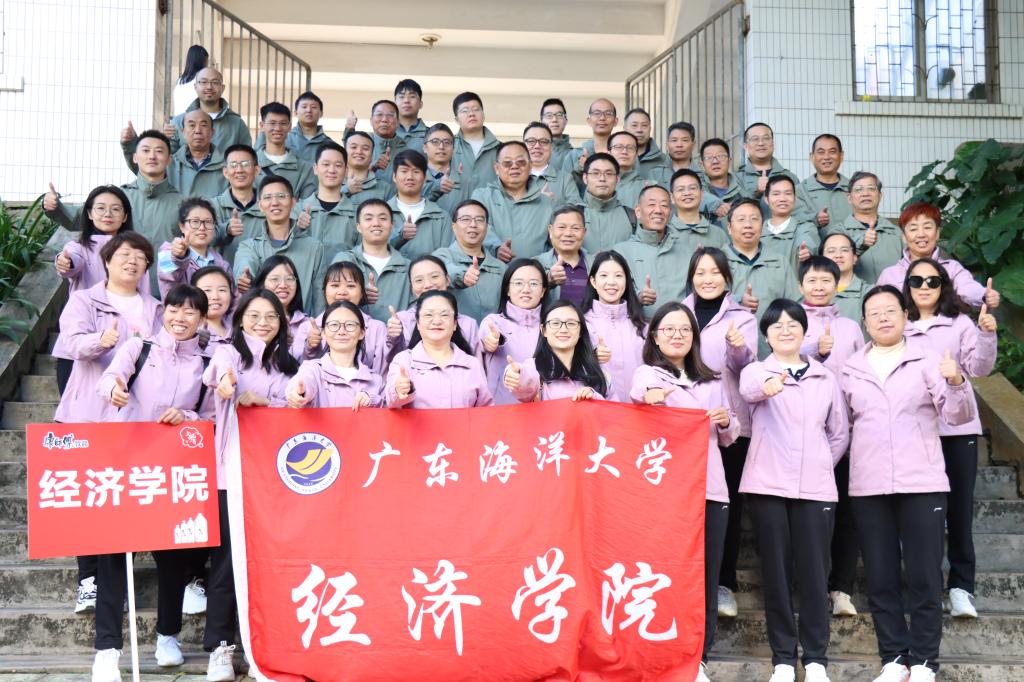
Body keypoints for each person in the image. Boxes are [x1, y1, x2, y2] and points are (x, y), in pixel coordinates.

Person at [841, 285, 974, 682]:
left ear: (904, 316)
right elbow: (842, 428)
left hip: (922, 481)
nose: (883, 317)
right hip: (869, 485)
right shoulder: (850, 368)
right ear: (865, 322)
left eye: (890, 310)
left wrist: (956, 382)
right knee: (881, 577)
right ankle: (894, 659)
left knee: (924, 576)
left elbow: (958, 415)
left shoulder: (928, 358)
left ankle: (925, 661)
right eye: (874, 312)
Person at [93, 284, 213, 675]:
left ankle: (167, 636)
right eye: (174, 309)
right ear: (164, 313)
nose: (180, 317)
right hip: (126, 466)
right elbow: (109, 379)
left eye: (190, 311)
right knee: (113, 557)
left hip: (172, 470)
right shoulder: (138, 348)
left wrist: (187, 417)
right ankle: (107, 650)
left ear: (202, 318)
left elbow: (211, 416)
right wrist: (114, 390)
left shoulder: (206, 362)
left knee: (172, 558)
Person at [52, 232, 162, 618]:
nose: (132, 261)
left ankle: (118, 583)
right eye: (124, 254)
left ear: (147, 267)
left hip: (135, 417)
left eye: (140, 257)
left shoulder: (156, 308)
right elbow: (72, 344)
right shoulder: (84, 300)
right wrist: (102, 340)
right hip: (88, 413)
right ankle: (89, 580)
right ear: (107, 261)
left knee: (125, 500)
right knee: (90, 500)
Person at [739, 299, 849, 682]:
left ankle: (816, 659)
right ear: (766, 335)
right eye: (776, 326)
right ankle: (783, 659)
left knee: (816, 574)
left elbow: (839, 433)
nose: (785, 330)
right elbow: (749, 389)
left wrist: (818, 463)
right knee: (776, 573)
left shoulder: (824, 377)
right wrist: (768, 386)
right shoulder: (756, 371)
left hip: (816, 488)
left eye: (793, 324)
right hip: (768, 485)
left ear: (805, 332)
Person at [203, 288, 299, 681]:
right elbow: (219, 377)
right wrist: (230, 388)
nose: (263, 323)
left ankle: (267, 645)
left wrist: (269, 403)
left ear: (282, 323)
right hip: (234, 476)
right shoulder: (228, 353)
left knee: (274, 562)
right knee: (228, 562)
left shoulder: (289, 364)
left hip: (278, 482)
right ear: (240, 318)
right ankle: (220, 647)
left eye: (271, 316)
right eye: (255, 315)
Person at [903, 258, 998, 620]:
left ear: (943, 285)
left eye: (932, 280)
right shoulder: (899, 325)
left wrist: (986, 334)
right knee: (918, 515)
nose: (925, 287)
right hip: (915, 431)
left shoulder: (959, 323)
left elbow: (980, 368)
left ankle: (961, 588)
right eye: (917, 281)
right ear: (907, 287)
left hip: (957, 430)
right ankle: (924, 587)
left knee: (958, 510)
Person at [681, 247, 758, 621]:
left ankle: (723, 583)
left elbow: (746, 366)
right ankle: (687, 581)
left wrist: (736, 346)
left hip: (728, 423)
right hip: (681, 425)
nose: (707, 278)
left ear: (727, 278)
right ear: (691, 277)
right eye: (700, 272)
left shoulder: (743, 318)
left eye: (714, 272)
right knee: (686, 506)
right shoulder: (677, 314)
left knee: (726, 506)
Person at [798, 256, 866, 617]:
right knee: (809, 515)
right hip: (803, 435)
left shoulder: (851, 328)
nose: (819, 286)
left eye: (827, 280)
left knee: (846, 513)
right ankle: (811, 585)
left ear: (837, 285)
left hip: (846, 433)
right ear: (800, 285)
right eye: (812, 280)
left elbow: (860, 375)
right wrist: (814, 351)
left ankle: (841, 588)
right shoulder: (790, 321)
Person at [46, 130, 184, 294]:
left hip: (166, 290)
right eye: (146, 150)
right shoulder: (117, 197)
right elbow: (78, 218)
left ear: (169, 159)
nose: (152, 156)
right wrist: (55, 207)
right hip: (122, 290)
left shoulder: (182, 203)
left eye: (159, 151)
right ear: (135, 157)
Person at [877, 202, 1000, 310]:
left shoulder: (952, 269)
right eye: (913, 229)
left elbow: (967, 287)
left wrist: (984, 295)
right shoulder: (890, 275)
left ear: (937, 233)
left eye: (927, 227)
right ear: (904, 237)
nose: (921, 234)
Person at [233, 176, 326, 314]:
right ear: (260, 205)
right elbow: (245, 265)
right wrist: (244, 278)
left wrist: (317, 324)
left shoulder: (314, 247)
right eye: (268, 197)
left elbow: (319, 297)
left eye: (281, 196)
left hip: (303, 325)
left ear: (293, 202)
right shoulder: (249, 247)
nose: (275, 203)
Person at [385, 290, 493, 408]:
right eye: (428, 315)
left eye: (444, 315)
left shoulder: (472, 364)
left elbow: (485, 410)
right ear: (418, 323)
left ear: (455, 323)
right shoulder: (404, 360)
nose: (436, 321)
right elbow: (391, 402)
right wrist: (398, 391)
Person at [723, 198, 801, 357]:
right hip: (727, 350)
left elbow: (795, 307)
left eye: (754, 219)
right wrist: (737, 300)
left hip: (774, 353)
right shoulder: (716, 261)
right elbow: (706, 305)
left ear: (762, 226)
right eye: (741, 219)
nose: (748, 225)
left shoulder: (779, 262)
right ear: (729, 227)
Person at [503, 299, 611, 401]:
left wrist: (595, 398)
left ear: (580, 331)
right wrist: (518, 376)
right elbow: (526, 385)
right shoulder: (535, 367)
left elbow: (615, 410)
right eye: (555, 323)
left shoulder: (598, 372)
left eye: (571, 323)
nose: (563, 329)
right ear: (544, 330)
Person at [614, 185, 696, 319]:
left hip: (680, 326)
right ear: (638, 211)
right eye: (651, 204)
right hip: (638, 326)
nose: (658, 210)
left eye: (664, 205)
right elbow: (612, 295)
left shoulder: (686, 251)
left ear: (670, 212)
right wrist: (638, 298)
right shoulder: (621, 251)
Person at [53, 185, 144, 305]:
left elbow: (143, 290)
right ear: (90, 214)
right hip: (86, 314)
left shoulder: (136, 251)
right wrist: (66, 262)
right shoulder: (77, 247)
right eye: (101, 208)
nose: (108, 214)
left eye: (116, 209)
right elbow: (73, 261)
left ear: (125, 216)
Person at [286, 300, 385, 409]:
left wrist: (372, 400)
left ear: (361, 333)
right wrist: (298, 393)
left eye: (350, 325)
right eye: (334, 325)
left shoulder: (375, 380)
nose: (341, 331)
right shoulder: (312, 369)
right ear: (323, 333)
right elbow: (304, 383)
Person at [472, 140, 556, 261]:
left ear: (530, 166)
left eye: (521, 162)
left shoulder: (546, 204)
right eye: (507, 163)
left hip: (536, 271)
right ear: (496, 168)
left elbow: (557, 240)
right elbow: (477, 228)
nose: (514, 166)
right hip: (493, 269)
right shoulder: (482, 197)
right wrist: (496, 248)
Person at [480, 259, 548, 405]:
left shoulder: (551, 325)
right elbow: (487, 337)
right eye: (518, 283)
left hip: (541, 408)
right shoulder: (494, 322)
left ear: (543, 291)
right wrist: (492, 341)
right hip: (502, 409)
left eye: (534, 283)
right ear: (507, 290)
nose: (526, 289)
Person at [332, 198, 412, 321]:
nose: (376, 223)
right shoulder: (345, 261)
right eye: (368, 218)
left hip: (397, 332)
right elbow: (332, 299)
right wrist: (359, 297)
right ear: (358, 227)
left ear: (392, 226)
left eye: (383, 218)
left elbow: (415, 310)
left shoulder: (407, 267)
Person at [582, 251, 646, 401]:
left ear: (627, 281)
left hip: (639, 408)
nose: (611, 282)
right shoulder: (582, 324)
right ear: (593, 281)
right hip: (600, 409)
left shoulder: (642, 326)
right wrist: (591, 357)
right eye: (604, 275)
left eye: (618, 276)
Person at [390, 255, 481, 354]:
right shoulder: (401, 321)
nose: (428, 284)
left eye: (434, 276)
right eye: (419, 280)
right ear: (412, 288)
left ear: (447, 280)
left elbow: (477, 362)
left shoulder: (469, 325)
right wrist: (394, 338)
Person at [126, 110, 227, 199]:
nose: (197, 131)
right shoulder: (169, 163)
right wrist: (130, 143)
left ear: (212, 132)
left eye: (203, 125)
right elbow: (145, 172)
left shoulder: (226, 165)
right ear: (183, 132)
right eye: (192, 125)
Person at [434, 200, 505, 322]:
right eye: (465, 219)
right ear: (454, 227)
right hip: (455, 332)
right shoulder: (440, 257)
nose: (473, 224)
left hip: (492, 333)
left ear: (486, 227)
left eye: (479, 220)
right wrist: (463, 276)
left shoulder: (501, 268)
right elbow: (445, 269)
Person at [319, 261, 390, 374]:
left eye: (351, 286)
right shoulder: (309, 327)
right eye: (335, 285)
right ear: (324, 290)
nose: (342, 292)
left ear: (362, 293)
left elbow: (380, 374)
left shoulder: (377, 329)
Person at [836, 172, 902, 284]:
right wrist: (862, 243)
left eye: (871, 188)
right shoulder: (838, 232)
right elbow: (834, 264)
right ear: (849, 198)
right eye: (858, 190)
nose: (865, 194)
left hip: (893, 294)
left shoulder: (897, 233)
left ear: (880, 195)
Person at [158, 198, 231, 299]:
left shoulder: (222, 264)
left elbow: (233, 300)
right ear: (182, 226)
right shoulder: (167, 252)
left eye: (208, 222)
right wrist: (179, 257)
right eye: (195, 221)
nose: (202, 228)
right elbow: (167, 276)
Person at [165, 67, 251, 154]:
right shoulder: (179, 122)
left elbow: (246, 156)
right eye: (203, 82)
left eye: (215, 82)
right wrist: (164, 138)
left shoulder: (237, 124)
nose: (209, 87)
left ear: (222, 88)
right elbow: (169, 157)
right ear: (195, 87)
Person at [295, 141, 359, 258]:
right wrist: (297, 229)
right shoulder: (298, 210)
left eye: (338, 165)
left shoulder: (357, 214)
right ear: (315, 168)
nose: (331, 170)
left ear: (346, 171)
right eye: (326, 164)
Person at [388, 149, 451, 260]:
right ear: (394, 176)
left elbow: (448, 258)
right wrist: (399, 236)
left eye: (416, 171)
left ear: (425, 177)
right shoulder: (381, 214)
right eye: (404, 171)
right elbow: (373, 251)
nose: (410, 177)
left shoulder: (442, 217)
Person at [251, 255, 315, 361]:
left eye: (289, 279)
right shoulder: (251, 321)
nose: (283, 285)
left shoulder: (308, 325)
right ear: (262, 283)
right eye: (274, 279)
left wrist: (312, 347)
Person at [210, 144, 263, 263]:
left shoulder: (268, 205)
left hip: (263, 272)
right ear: (225, 172)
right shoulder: (212, 206)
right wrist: (226, 230)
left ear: (256, 170)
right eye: (233, 165)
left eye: (245, 164)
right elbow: (201, 237)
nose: (239, 170)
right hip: (222, 273)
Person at [256, 102, 317, 199]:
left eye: (283, 123)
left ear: (289, 126)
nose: (277, 128)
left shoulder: (305, 168)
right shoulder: (250, 165)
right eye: (272, 123)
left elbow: (307, 203)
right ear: (262, 125)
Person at [255, 91, 336, 164]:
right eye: (304, 107)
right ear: (295, 112)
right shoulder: (281, 137)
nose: (308, 110)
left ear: (321, 113)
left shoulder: (330, 144)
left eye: (314, 107)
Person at [761, 175, 819, 271]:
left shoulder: (805, 227)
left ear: (795, 198)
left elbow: (808, 241)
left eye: (788, 193)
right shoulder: (757, 230)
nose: (782, 199)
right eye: (776, 194)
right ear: (766, 199)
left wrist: (806, 251)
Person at [580, 153, 636, 253]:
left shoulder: (632, 217)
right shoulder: (574, 214)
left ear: (617, 179)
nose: (602, 179)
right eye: (595, 173)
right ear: (585, 178)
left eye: (609, 174)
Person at [536, 206, 590, 307]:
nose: (568, 233)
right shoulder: (536, 264)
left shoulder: (596, 264)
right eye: (561, 227)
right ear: (550, 231)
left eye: (575, 228)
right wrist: (548, 280)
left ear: (584, 232)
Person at [795, 134, 850, 230]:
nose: (826, 157)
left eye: (832, 152)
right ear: (812, 157)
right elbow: (794, 221)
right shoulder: (800, 191)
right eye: (821, 152)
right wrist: (815, 219)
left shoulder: (854, 189)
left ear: (841, 156)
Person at [450, 92, 501, 194]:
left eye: (476, 109)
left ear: (483, 115)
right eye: (465, 111)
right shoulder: (448, 146)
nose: (471, 114)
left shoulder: (500, 149)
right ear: (457, 119)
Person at [668, 169, 727, 253]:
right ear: (672, 197)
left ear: (702, 194)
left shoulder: (718, 234)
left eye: (692, 188)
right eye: (680, 189)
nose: (687, 193)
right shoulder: (664, 233)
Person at [524, 121, 581, 206]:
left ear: (551, 147)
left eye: (543, 141)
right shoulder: (512, 177)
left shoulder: (565, 179)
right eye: (531, 141)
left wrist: (550, 205)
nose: (537, 146)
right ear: (523, 146)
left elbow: (576, 210)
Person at [736, 122, 797, 201]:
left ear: (773, 144)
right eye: (755, 139)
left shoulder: (790, 176)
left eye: (766, 138)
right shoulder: (736, 179)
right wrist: (758, 193)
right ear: (746, 146)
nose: (761, 143)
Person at [561, 98, 618, 180]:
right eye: (597, 113)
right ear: (589, 121)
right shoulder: (574, 156)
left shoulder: (623, 154)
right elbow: (564, 185)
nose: (602, 118)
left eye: (608, 114)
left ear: (615, 121)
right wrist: (580, 170)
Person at [422, 123, 470, 218]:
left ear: (453, 148)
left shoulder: (465, 181)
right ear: (425, 148)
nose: (441, 146)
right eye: (435, 142)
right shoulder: (414, 178)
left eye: (447, 142)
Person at [820, 232, 869, 324]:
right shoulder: (812, 293)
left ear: (855, 258)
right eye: (831, 251)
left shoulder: (869, 293)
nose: (838, 255)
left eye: (845, 250)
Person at [699, 138, 743, 225]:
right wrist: (714, 205)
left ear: (729, 160)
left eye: (720, 156)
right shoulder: (694, 187)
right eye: (709, 158)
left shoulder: (742, 188)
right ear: (702, 164)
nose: (715, 161)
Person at [343, 131, 394, 206]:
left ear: (372, 155)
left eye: (365, 148)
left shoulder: (385, 188)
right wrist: (345, 190)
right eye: (354, 147)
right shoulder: (332, 182)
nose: (359, 151)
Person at [624, 108, 671, 184]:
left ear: (650, 129)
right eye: (634, 125)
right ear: (625, 128)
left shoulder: (664, 161)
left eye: (644, 125)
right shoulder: (615, 159)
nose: (639, 130)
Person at [191, 265, 235, 346]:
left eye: (222, 290)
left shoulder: (238, 330)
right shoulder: (189, 334)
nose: (215, 297)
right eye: (207, 290)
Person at [607, 131, 652, 208]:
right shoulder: (597, 183)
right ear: (609, 153)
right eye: (619, 147)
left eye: (630, 148)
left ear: (636, 154)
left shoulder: (648, 187)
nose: (624, 152)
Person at [369, 99, 407, 180]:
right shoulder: (362, 147)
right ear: (371, 121)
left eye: (390, 115)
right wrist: (371, 168)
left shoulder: (406, 151)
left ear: (398, 122)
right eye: (379, 114)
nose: (384, 120)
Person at [540, 98, 575, 171]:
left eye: (559, 115)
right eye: (549, 116)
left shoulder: (575, 155)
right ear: (541, 122)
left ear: (566, 120)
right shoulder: (533, 153)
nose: (554, 120)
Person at [173, 45, 209, 115]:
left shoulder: (180, 81)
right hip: (195, 119)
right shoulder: (202, 79)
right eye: (207, 61)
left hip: (179, 120)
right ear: (202, 61)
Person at [395, 79, 427, 149]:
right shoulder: (386, 133)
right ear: (394, 104)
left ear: (420, 104)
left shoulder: (431, 135)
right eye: (401, 97)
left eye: (412, 96)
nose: (406, 101)